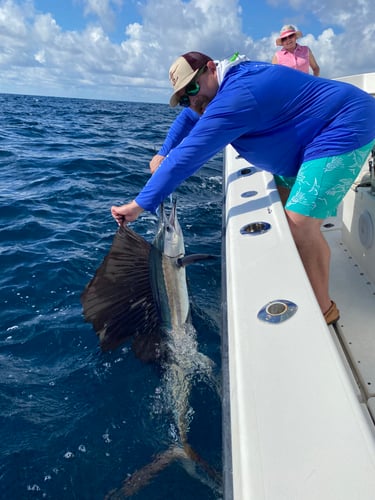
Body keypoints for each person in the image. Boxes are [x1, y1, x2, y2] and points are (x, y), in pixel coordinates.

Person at [111, 51, 375, 325]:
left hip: (345, 125)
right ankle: (301, 267)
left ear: (211, 68)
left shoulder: (237, 95)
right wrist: (163, 152)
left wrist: (139, 205)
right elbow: (189, 119)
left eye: (192, 87)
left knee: (300, 225)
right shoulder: (218, 89)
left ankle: (323, 310)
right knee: (285, 211)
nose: (192, 99)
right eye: (183, 97)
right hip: (308, 137)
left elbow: (190, 155)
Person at [149, 107, 199, 173]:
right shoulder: (192, 109)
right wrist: (162, 154)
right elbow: (189, 115)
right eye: (183, 102)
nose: (193, 102)